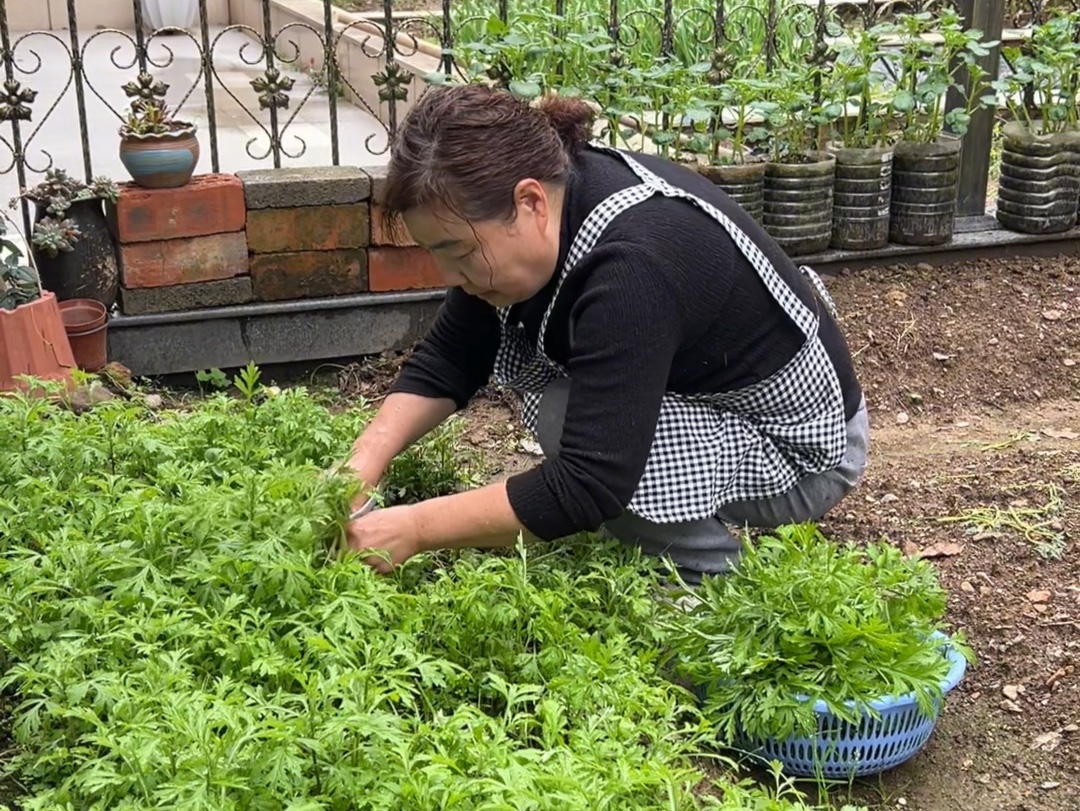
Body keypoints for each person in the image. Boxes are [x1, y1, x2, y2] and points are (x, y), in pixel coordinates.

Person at [338, 83, 869, 583]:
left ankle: (707, 577)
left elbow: (590, 483)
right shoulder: (551, 197)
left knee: (568, 419)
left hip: (801, 451)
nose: (449, 276)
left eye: (457, 251)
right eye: (436, 253)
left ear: (529, 203)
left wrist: (413, 529)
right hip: (718, 404)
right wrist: (361, 465)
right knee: (570, 411)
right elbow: (453, 355)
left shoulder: (632, 264)